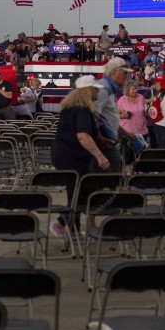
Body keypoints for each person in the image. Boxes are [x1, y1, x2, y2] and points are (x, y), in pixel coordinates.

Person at [49, 75, 111, 238]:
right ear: (87, 90)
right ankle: (61, 224)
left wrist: (102, 141)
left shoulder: (71, 107)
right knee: (82, 191)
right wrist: (100, 156)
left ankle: (72, 231)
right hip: (72, 156)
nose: (98, 90)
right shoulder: (82, 109)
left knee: (76, 191)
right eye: (95, 88)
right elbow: (83, 135)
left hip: (63, 154)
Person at [95, 57, 136, 170]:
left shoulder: (108, 88)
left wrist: (125, 133)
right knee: (113, 180)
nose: (126, 77)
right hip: (103, 146)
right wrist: (100, 140)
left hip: (107, 144)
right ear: (114, 72)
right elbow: (91, 118)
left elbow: (107, 119)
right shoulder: (104, 89)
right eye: (124, 73)